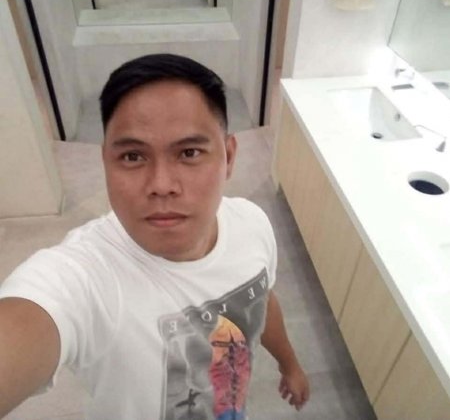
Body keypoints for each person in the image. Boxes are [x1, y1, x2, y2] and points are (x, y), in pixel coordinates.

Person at [0, 54, 309, 419]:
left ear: (228, 156)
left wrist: (289, 363)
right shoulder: (82, 276)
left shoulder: (252, 223)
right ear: (105, 162)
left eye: (189, 152)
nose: (161, 185)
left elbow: (260, 298)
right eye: (133, 156)